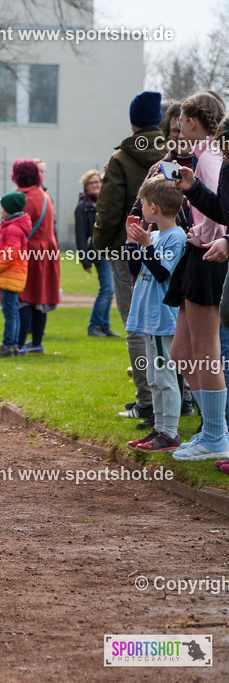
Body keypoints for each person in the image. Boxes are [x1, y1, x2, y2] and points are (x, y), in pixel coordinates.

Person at [93, 91, 167, 424]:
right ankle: (179, 397)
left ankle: (146, 400)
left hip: (128, 246)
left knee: (136, 325)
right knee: (169, 325)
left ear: (133, 121)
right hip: (169, 245)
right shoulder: (173, 151)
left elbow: (108, 209)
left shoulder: (123, 159)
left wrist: (100, 244)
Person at [169, 93, 229, 459]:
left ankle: (216, 434)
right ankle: (213, 428)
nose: (177, 130)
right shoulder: (204, 157)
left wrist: (224, 241)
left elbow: (224, 214)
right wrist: (190, 188)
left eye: (181, 123)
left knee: (206, 352)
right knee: (181, 352)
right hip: (198, 253)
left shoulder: (210, 156)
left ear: (193, 122)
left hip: (210, 257)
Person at [124, 177, 188, 453]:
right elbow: (135, 270)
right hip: (148, 315)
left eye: (143, 204)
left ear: (154, 207)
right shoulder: (156, 235)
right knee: (153, 376)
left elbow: (163, 273)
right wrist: (131, 242)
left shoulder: (176, 236)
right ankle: (159, 429)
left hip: (163, 318)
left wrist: (147, 245)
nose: (141, 209)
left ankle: (170, 433)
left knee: (164, 377)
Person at [11, 159, 60, 353]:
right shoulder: (44, 195)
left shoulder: (23, 198)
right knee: (40, 298)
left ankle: (19, 343)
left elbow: (15, 229)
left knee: (24, 297)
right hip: (47, 251)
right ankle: (36, 342)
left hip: (29, 252)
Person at [0, 192, 31, 358]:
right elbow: (2, 235)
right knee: (13, 310)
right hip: (11, 275)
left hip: (8, 275)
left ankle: (8, 345)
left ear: (9, 209)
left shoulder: (13, 229)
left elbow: (12, 252)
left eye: (3, 207)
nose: (0, 210)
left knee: (10, 312)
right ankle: (14, 345)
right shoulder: (12, 227)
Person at [75, 170, 117, 337]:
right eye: (92, 183)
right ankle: (94, 326)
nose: (96, 185)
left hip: (110, 251)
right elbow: (80, 236)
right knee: (107, 289)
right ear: (86, 187)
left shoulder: (107, 203)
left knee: (109, 289)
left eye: (98, 182)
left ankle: (104, 326)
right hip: (97, 252)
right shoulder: (83, 207)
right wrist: (85, 261)